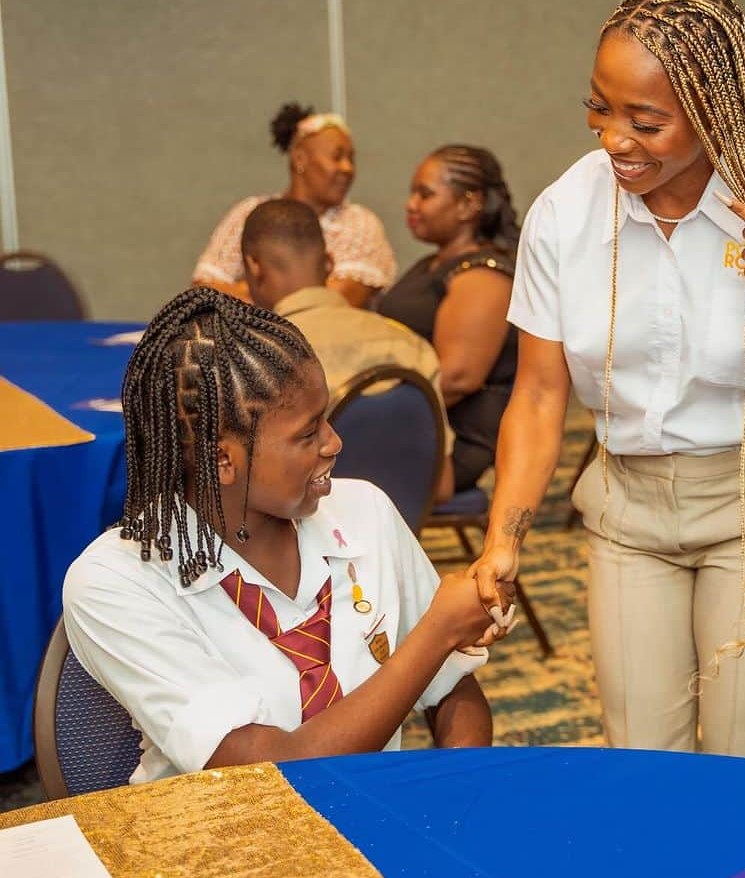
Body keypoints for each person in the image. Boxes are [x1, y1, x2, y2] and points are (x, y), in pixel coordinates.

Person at [468, 0, 745, 761]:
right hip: (627, 514)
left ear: (715, 116)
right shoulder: (564, 215)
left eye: (647, 121)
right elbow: (537, 396)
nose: (613, 141)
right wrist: (504, 538)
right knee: (642, 763)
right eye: (599, 108)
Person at [63, 288, 513, 783]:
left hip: (379, 823)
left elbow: (454, 693)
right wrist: (435, 634)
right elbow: (271, 771)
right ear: (221, 460)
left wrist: (452, 795)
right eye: (307, 434)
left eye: (326, 417)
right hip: (217, 844)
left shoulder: (364, 510)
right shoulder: (115, 581)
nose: (334, 442)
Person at [241, 198, 456, 502]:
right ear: (329, 262)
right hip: (396, 531)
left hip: (300, 535)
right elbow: (441, 483)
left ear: (253, 266)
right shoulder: (409, 344)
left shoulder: (257, 353)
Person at [379, 145, 519, 493]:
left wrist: (367, 410)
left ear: (469, 204)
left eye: (425, 194)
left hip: (447, 440)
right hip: (409, 418)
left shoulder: (483, 274)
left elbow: (456, 379)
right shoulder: (433, 264)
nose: (410, 205)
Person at [194, 103, 396, 307]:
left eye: (351, 159)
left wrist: (249, 289)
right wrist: (308, 290)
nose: (347, 168)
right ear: (300, 158)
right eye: (337, 157)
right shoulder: (250, 213)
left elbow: (336, 301)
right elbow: (203, 291)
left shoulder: (359, 222)